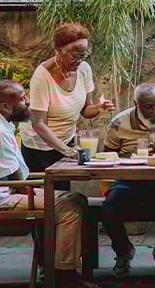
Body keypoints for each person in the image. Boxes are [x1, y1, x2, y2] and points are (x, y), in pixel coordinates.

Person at [0, 80, 98, 288]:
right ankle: (63, 276)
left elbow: (15, 176)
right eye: (23, 99)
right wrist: (46, 187)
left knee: (74, 199)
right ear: (6, 106)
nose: (28, 103)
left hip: (1, 191)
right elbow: (16, 183)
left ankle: (63, 269)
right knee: (71, 205)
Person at [100, 82, 155, 277]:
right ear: (137, 104)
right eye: (149, 106)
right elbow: (107, 157)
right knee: (107, 209)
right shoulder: (120, 121)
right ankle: (123, 251)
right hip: (127, 181)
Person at [19, 22, 114, 189]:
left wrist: (99, 108)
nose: (79, 60)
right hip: (39, 147)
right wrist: (66, 150)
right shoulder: (42, 77)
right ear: (58, 50)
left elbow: (86, 109)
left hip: (65, 141)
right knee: (46, 199)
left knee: (63, 194)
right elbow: (38, 123)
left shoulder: (84, 70)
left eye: (83, 55)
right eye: (74, 55)